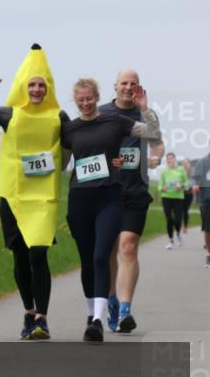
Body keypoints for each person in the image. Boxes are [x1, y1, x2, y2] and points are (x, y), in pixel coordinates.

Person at [0, 45, 69, 341]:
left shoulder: (59, 116)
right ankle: (29, 311)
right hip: (13, 196)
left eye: (41, 85)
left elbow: (75, 144)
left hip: (43, 197)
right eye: (32, 85)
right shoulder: (9, 114)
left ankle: (42, 319)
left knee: (38, 253)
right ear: (22, 87)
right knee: (20, 257)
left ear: (49, 87)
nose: (37, 90)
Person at [62, 78, 161, 342]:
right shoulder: (69, 130)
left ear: (97, 97)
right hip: (80, 199)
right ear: (75, 101)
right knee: (87, 261)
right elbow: (61, 164)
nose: (85, 103)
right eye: (81, 100)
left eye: (89, 98)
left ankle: (98, 319)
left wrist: (145, 109)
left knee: (101, 256)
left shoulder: (115, 121)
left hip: (109, 197)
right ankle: (91, 313)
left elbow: (152, 134)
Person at [99, 70, 164, 333]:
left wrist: (156, 157)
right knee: (109, 251)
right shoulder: (102, 113)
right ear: (115, 86)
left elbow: (157, 143)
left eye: (133, 83)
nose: (128, 87)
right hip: (107, 190)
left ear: (139, 87)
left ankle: (125, 309)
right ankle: (112, 300)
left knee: (128, 247)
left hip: (135, 190)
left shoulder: (146, 114)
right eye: (124, 83)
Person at [158, 153, 190, 249]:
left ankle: (178, 234)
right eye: (168, 159)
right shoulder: (164, 171)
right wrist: (162, 188)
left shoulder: (181, 170)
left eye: (171, 158)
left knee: (177, 220)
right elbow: (159, 185)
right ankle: (171, 240)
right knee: (169, 220)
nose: (170, 160)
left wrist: (181, 185)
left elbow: (187, 184)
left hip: (178, 198)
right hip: (166, 197)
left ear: (175, 159)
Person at [191, 151, 210, 268]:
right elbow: (194, 179)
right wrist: (195, 185)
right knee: (208, 229)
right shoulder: (203, 162)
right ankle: (209, 254)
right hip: (206, 200)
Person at [182, 158, 195, 235]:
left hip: (189, 194)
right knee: (179, 210)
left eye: (187, 163)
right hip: (180, 194)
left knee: (185, 210)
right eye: (184, 163)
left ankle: (185, 226)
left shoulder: (192, 173)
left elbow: (193, 183)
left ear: (189, 164)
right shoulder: (179, 171)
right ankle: (180, 225)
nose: (185, 164)